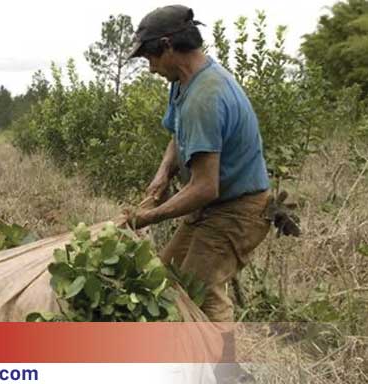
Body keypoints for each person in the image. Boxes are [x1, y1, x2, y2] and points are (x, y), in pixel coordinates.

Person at [124, 5, 272, 384]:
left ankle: (228, 377)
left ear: (169, 46)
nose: (151, 68)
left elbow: (206, 187)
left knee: (196, 290)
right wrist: (159, 180)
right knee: (167, 277)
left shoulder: (208, 96)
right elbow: (177, 135)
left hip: (238, 208)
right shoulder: (183, 80)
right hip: (215, 206)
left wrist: (147, 218)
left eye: (149, 57)